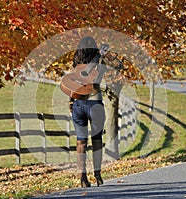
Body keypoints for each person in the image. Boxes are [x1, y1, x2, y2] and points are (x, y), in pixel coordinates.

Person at [69, 36, 122, 188]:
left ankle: (82, 177)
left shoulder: (76, 63)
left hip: (78, 103)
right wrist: (107, 55)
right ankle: (97, 174)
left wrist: (70, 103)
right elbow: (119, 65)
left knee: (81, 141)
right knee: (97, 139)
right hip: (94, 103)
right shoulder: (99, 62)